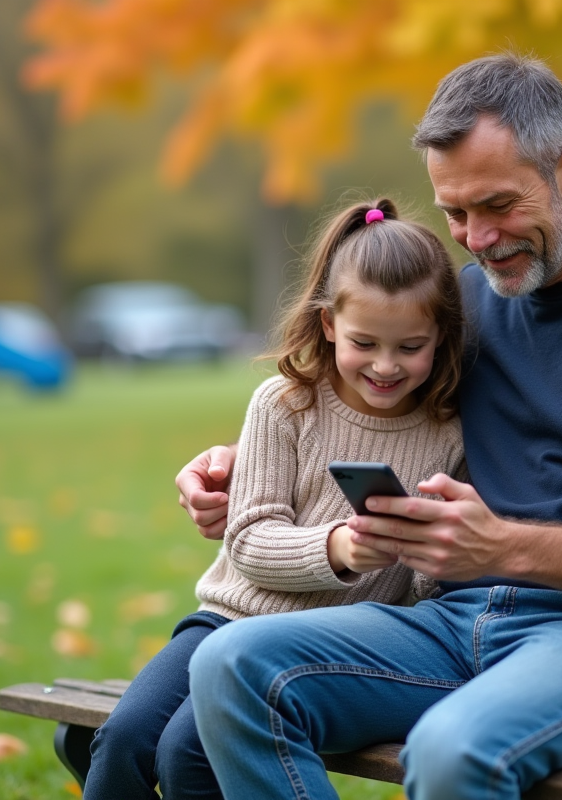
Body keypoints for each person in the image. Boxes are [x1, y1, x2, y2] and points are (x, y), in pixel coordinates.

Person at [179, 52, 562, 800]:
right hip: (460, 619)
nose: (476, 237)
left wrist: (503, 545)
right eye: (456, 213)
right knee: (231, 665)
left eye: (498, 205)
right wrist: (243, 460)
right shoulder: (475, 301)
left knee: (452, 750)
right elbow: (374, 402)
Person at [84, 198, 466, 800]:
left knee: (187, 752)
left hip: (325, 646)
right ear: (328, 325)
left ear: (441, 336)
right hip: (225, 622)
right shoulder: (285, 404)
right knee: (121, 741)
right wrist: (338, 548)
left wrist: (420, 550)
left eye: (410, 346)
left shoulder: (448, 434)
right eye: (365, 342)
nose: (386, 365)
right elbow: (248, 539)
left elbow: (429, 587)